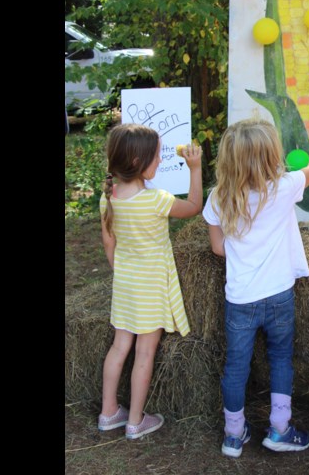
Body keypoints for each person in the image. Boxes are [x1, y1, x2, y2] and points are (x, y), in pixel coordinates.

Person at [203, 100, 309, 458]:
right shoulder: (283, 188)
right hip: (279, 294)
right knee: (281, 358)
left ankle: (234, 434)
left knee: (236, 366)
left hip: (240, 299)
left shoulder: (218, 198)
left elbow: (219, 249)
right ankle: (279, 429)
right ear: (270, 156)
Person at [97, 124, 203, 439]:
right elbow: (194, 207)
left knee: (119, 347)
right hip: (153, 285)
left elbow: (108, 244)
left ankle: (107, 413)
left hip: (126, 284)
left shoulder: (109, 198)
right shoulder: (157, 200)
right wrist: (194, 169)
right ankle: (135, 421)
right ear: (137, 162)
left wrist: (122, 272)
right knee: (145, 351)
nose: (160, 161)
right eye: (157, 156)